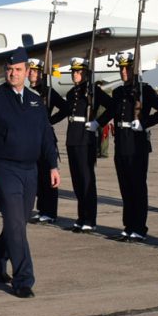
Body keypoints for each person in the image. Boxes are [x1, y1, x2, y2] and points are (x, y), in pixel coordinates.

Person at [0, 47, 60, 297]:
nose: (13, 74)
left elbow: (46, 136)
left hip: (30, 170)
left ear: (27, 71)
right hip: (4, 168)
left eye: (18, 70)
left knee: (18, 223)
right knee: (14, 223)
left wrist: (52, 165)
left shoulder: (35, 100)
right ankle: (23, 279)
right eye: (9, 70)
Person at [100, 51, 158, 242]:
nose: (123, 71)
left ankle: (139, 227)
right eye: (121, 67)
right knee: (125, 188)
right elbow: (112, 112)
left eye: (127, 67)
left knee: (137, 188)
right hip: (121, 144)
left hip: (137, 146)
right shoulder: (118, 91)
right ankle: (128, 226)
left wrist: (144, 123)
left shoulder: (144, 90)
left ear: (134, 69)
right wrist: (97, 123)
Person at [50, 57, 109, 232]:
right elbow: (66, 112)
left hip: (86, 139)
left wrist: (98, 122)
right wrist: (48, 121)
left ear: (86, 73)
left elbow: (112, 106)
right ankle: (81, 217)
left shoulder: (92, 91)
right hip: (73, 140)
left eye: (79, 71)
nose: (75, 74)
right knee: (77, 180)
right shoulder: (71, 93)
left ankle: (90, 219)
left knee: (86, 180)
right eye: (74, 71)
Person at [27, 57, 66, 224]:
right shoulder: (27, 92)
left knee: (48, 174)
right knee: (36, 176)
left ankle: (50, 212)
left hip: (45, 138)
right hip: (30, 138)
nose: (32, 74)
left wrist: (50, 121)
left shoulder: (47, 91)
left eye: (35, 71)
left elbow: (65, 108)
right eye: (30, 70)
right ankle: (42, 209)